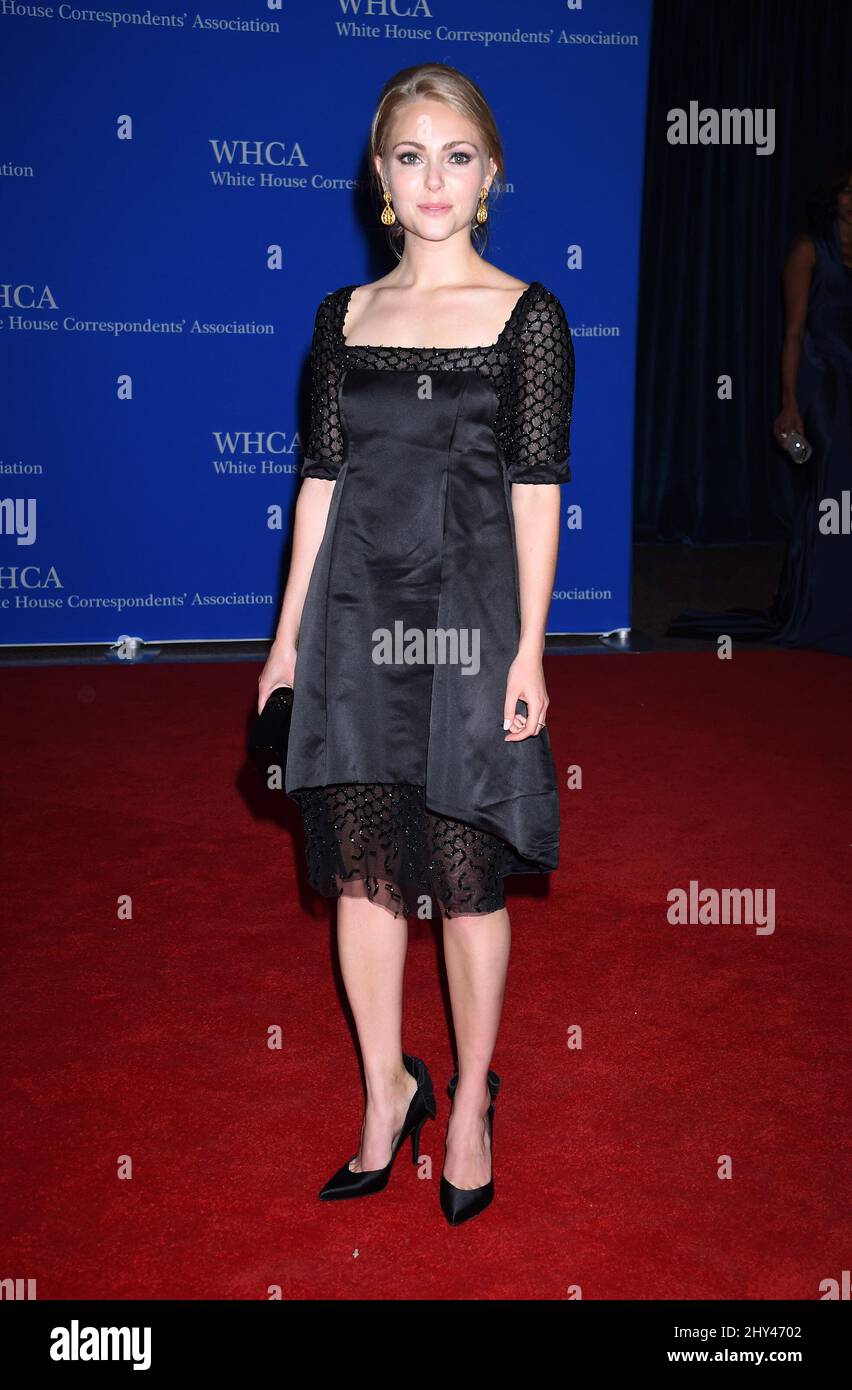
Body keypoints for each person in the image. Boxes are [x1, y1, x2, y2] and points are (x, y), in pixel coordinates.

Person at [258, 63, 575, 1225]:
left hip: (471, 623)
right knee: (362, 867)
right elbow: (319, 485)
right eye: (409, 156)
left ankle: (475, 1103)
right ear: (380, 180)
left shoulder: (527, 316)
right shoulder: (342, 318)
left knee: (462, 870)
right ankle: (388, 1090)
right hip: (352, 621)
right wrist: (286, 642)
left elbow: (537, 493)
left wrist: (531, 649)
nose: (432, 178)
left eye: (456, 156)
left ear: (490, 175)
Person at [667, 151, 852, 656]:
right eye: (847, 190)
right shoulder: (810, 250)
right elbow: (791, 334)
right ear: (832, 198)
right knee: (829, 490)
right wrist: (789, 405)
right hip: (823, 382)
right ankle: (815, 611)